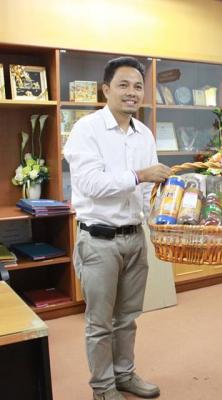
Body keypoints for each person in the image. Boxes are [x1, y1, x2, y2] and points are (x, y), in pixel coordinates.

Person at [64, 56, 171, 400]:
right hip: (99, 240)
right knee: (99, 322)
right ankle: (103, 387)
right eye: (123, 85)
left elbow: (147, 192)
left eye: (138, 86)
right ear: (106, 89)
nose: (132, 92)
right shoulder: (86, 129)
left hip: (134, 237)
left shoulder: (144, 134)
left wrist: (160, 222)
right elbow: (90, 184)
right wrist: (139, 175)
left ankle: (124, 375)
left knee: (127, 317)